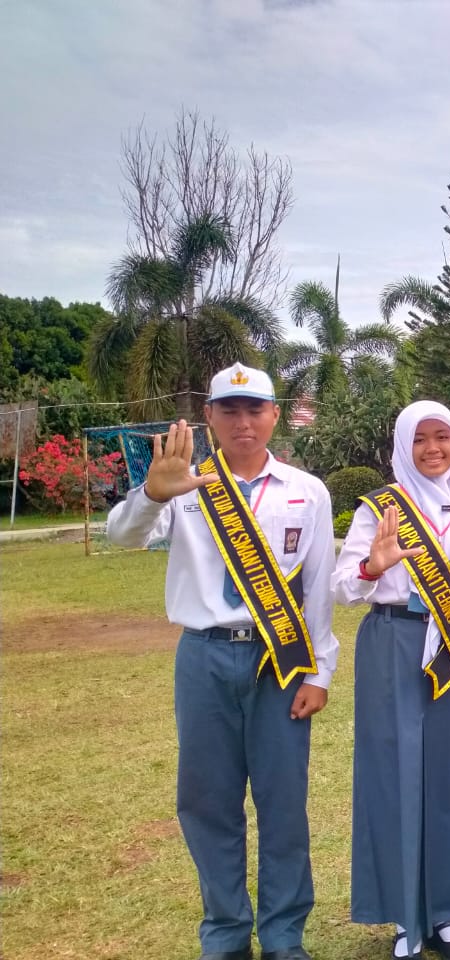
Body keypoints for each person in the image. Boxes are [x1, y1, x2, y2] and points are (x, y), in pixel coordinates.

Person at [106, 362, 337, 960]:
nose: (243, 422)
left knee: (283, 803)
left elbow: (317, 591)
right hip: (204, 657)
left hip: (279, 664)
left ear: (274, 416)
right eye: (229, 410)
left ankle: (285, 935)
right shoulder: (183, 483)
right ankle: (227, 935)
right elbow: (122, 537)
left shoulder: (306, 491)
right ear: (208, 417)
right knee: (208, 804)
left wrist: (320, 672)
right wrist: (153, 493)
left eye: (254, 409)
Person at [333, 401, 450, 960]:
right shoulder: (379, 510)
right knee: (394, 775)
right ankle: (406, 919)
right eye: (421, 439)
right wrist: (371, 567)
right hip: (392, 642)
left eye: (442, 438)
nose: (433, 449)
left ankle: (445, 913)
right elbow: (343, 586)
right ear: (404, 446)